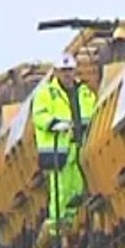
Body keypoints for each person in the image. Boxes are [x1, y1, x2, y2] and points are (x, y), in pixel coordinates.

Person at [32, 54, 97, 230]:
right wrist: (54, 124)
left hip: (79, 146)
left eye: (70, 70)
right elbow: (38, 115)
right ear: (56, 72)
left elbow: (94, 114)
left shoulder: (84, 92)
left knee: (77, 189)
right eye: (63, 71)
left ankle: (73, 225)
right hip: (58, 150)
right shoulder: (46, 93)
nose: (67, 75)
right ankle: (56, 229)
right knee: (60, 190)